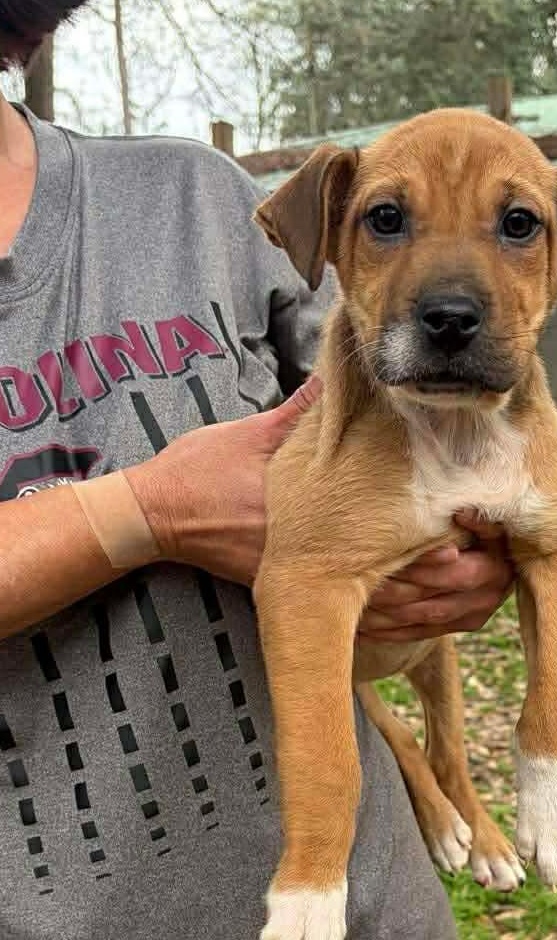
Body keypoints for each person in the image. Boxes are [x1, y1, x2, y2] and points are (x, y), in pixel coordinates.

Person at [0, 4, 515, 938]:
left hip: (368, 902)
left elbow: (412, 401)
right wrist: (148, 512)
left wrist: (482, 534)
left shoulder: (192, 198)